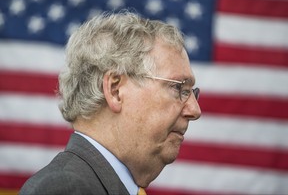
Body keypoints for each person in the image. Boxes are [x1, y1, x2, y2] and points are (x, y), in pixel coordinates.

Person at [19, 10, 201, 195]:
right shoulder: (63, 189)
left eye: (191, 92)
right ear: (115, 90)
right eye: (179, 88)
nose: (195, 110)